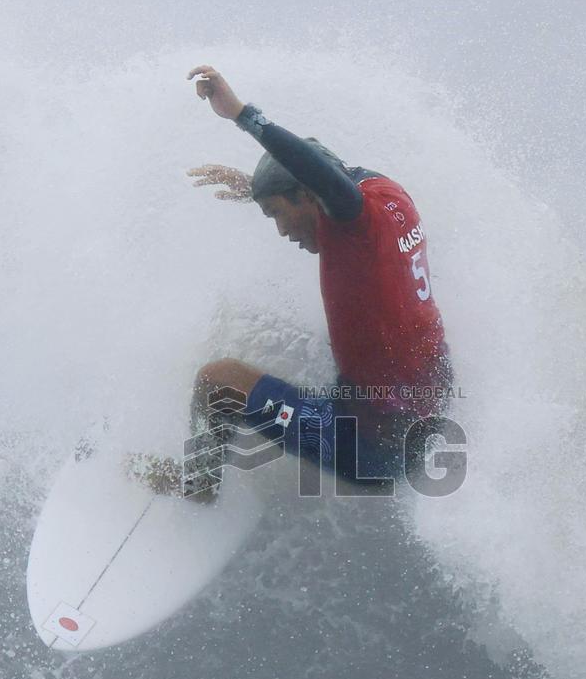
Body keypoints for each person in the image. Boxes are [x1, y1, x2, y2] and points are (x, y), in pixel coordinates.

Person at [172, 65, 453, 498]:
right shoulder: (388, 193)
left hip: (371, 450)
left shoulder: (352, 220)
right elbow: (329, 175)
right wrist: (261, 188)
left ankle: (195, 487)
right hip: (427, 409)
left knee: (218, 378)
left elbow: (322, 178)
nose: (283, 231)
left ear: (309, 196)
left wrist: (242, 115)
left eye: (278, 213)